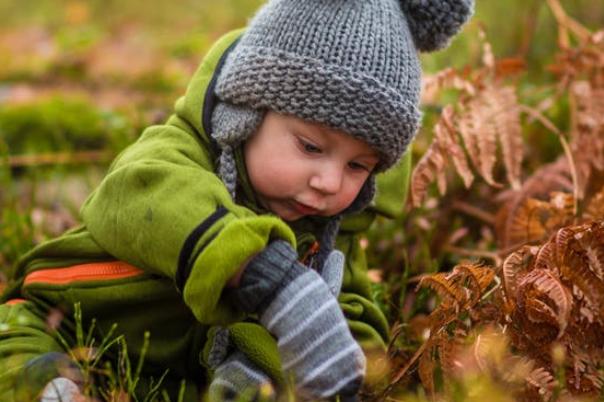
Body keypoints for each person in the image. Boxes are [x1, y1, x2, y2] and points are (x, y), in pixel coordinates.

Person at [0, 0, 473, 400]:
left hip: (177, 370)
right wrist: (265, 274)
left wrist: (341, 362)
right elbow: (139, 195)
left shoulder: (331, 227)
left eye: (358, 166)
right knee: (22, 354)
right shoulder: (176, 154)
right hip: (60, 314)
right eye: (310, 147)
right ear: (243, 114)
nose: (330, 182)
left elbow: (348, 306)